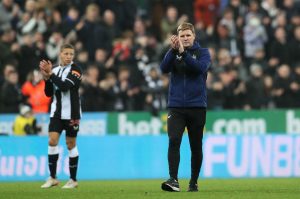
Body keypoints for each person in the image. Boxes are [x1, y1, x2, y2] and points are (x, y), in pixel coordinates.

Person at [160, 22, 211, 192]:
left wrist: (183, 53)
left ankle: (193, 182)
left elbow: (200, 69)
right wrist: (172, 50)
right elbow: (163, 68)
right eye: (182, 36)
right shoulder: (174, 53)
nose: (185, 38)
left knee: (195, 145)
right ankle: (173, 180)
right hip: (176, 106)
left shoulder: (203, 53)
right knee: (174, 140)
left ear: (194, 36)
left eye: (188, 35)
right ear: (178, 37)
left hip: (197, 106)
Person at [39, 44, 82, 189]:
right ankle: (52, 177)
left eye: (71, 54)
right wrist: (46, 78)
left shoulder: (76, 70)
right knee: (52, 141)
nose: (69, 57)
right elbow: (49, 93)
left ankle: (73, 179)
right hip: (56, 113)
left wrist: (50, 75)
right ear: (60, 54)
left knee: (71, 144)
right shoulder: (55, 70)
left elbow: (64, 87)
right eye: (66, 54)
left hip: (72, 114)